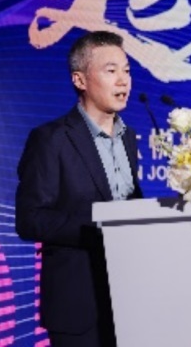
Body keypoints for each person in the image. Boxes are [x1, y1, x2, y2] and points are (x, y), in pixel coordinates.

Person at [15, 31, 143, 347]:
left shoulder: (128, 138)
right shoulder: (51, 139)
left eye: (126, 70)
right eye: (111, 71)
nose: (123, 80)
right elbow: (30, 218)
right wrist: (100, 227)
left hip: (129, 300)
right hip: (78, 305)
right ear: (80, 80)